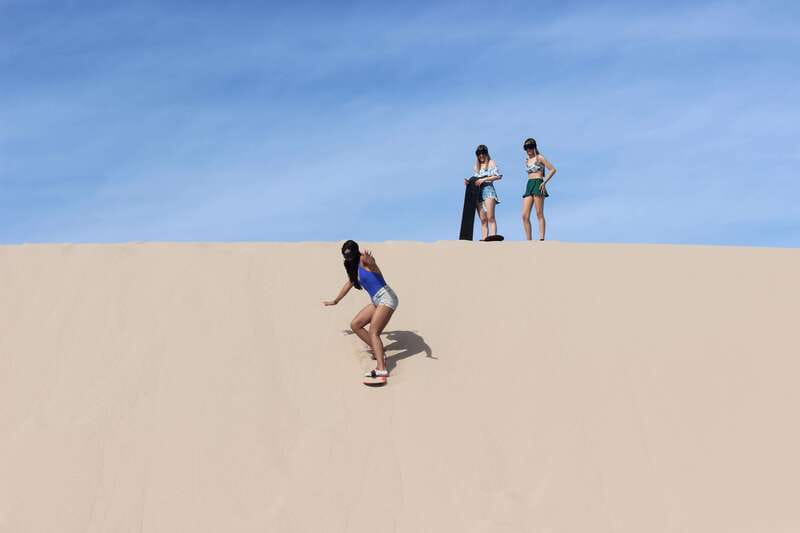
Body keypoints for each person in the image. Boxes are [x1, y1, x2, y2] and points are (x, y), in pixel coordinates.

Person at [323, 240, 399, 379]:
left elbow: (375, 269)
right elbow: (349, 283)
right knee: (355, 325)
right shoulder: (353, 268)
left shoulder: (364, 259)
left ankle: (381, 369)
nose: (348, 257)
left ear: (355, 251)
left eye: (350, 254)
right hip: (376, 300)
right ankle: (379, 350)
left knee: (373, 332)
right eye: (345, 255)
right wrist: (336, 301)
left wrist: (373, 263)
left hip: (386, 297)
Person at [521, 138, 557, 241]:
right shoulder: (527, 160)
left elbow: (553, 169)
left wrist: (544, 181)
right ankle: (529, 240)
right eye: (526, 148)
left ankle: (541, 238)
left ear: (534, 147)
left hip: (538, 183)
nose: (528, 150)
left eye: (530, 147)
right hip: (529, 184)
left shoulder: (539, 157)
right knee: (524, 215)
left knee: (539, 213)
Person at [464, 145, 502, 239]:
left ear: (486, 153)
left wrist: (483, 180)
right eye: (479, 153)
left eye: (483, 153)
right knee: (483, 219)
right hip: (478, 192)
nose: (481, 155)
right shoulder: (476, 166)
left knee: (490, 217)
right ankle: (484, 238)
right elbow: (476, 180)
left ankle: (493, 236)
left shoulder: (491, 163)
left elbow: (498, 176)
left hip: (488, 190)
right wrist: (469, 183)